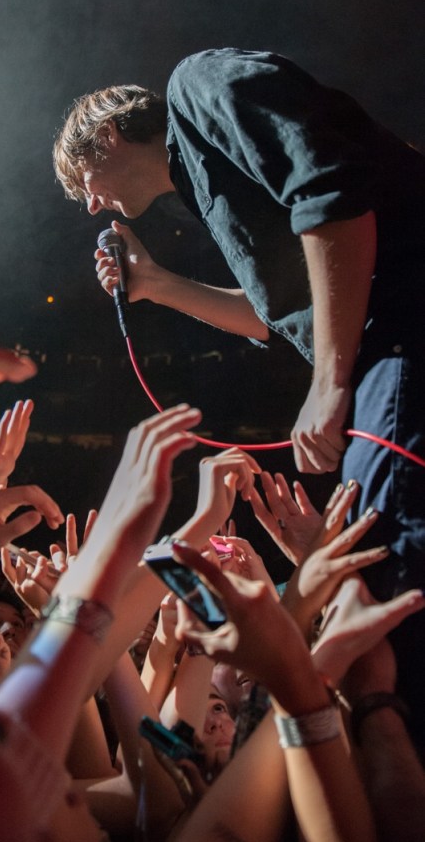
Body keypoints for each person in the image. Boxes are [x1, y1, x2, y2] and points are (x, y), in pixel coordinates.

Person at [53, 48, 425, 741]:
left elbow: (333, 194)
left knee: (391, 568)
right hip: (387, 352)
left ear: (104, 135)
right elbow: (270, 315)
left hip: (401, 336)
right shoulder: (204, 189)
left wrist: (330, 381)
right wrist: (155, 285)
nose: (92, 206)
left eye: (83, 184)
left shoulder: (198, 88)